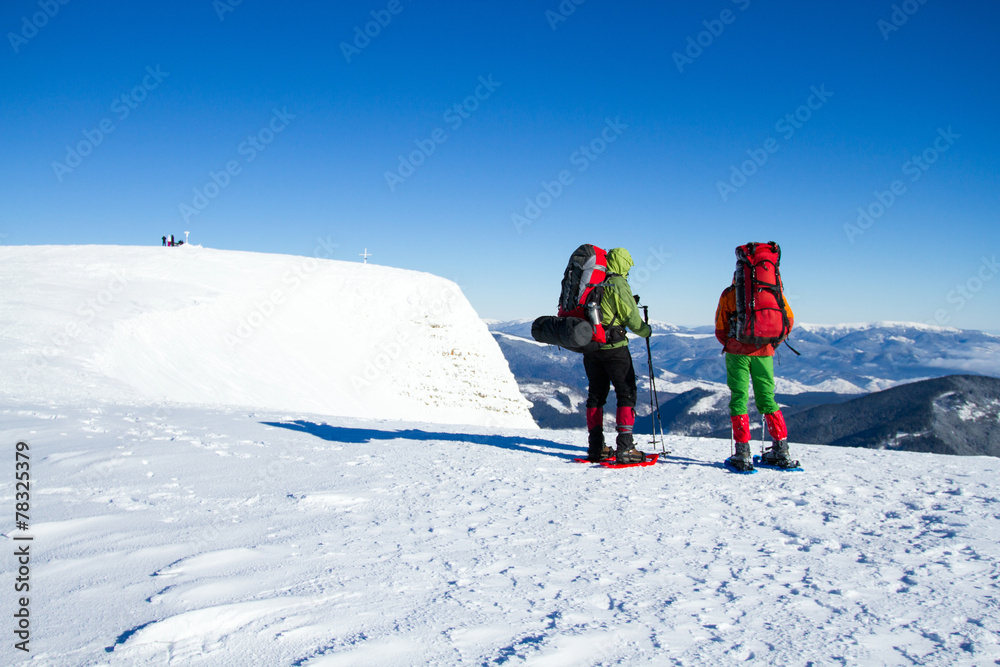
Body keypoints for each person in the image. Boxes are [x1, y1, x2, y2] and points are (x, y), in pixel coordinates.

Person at [714, 281, 797, 471]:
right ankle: (781, 449)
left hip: (737, 352)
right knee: (768, 399)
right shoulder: (772, 291)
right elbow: (788, 321)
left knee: (739, 399)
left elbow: (720, 328)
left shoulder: (730, 293)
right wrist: (770, 344)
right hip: (764, 352)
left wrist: (733, 343)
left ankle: (742, 453)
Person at [584, 247, 652, 464]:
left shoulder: (594, 282)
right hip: (614, 347)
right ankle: (625, 447)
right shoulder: (618, 284)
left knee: (596, 395)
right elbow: (632, 319)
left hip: (591, 346)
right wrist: (646, 331)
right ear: (623, 264)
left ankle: (596, 448)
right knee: (626, 392)